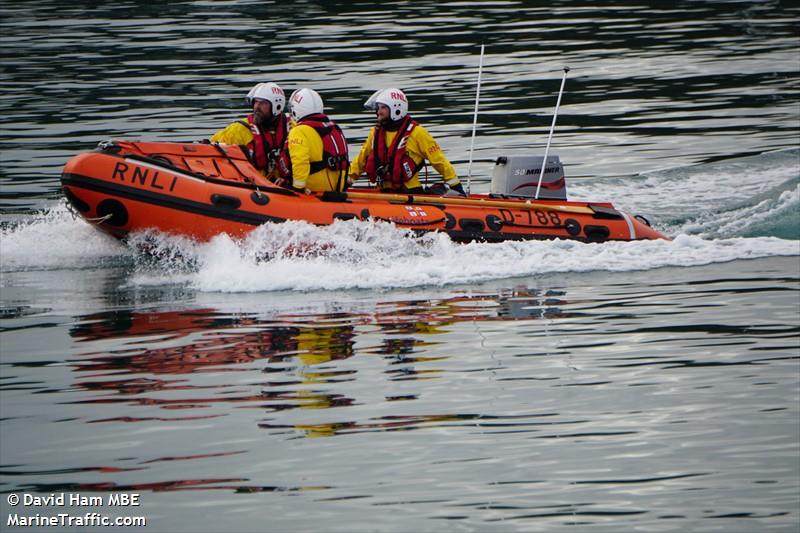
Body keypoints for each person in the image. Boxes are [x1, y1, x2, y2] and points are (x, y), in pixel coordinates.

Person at [348, 88, 466, 195]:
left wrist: (455, 185)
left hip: (410, 192)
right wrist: (347, 179)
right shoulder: (375, 133)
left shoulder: (417, 133)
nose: (378, 111)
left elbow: (439, 160)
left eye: (383, 107)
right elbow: (361, 159)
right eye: (378, 107)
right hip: (383, 192)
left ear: (396, 108)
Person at [210, 82, 290, 182]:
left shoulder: (291, 128)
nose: (257, 107)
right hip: (254, 185)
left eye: (262, 103)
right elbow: (211, 148)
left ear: (277, 106)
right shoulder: (240, 130)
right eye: (255, 102)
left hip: (284, 184)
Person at [280, 88, 349, 193]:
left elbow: (300, 162)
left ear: (295, 110)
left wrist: (297, 189)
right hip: (337, 189)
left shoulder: (299, 131)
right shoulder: (333, 127)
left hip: (315, 191)